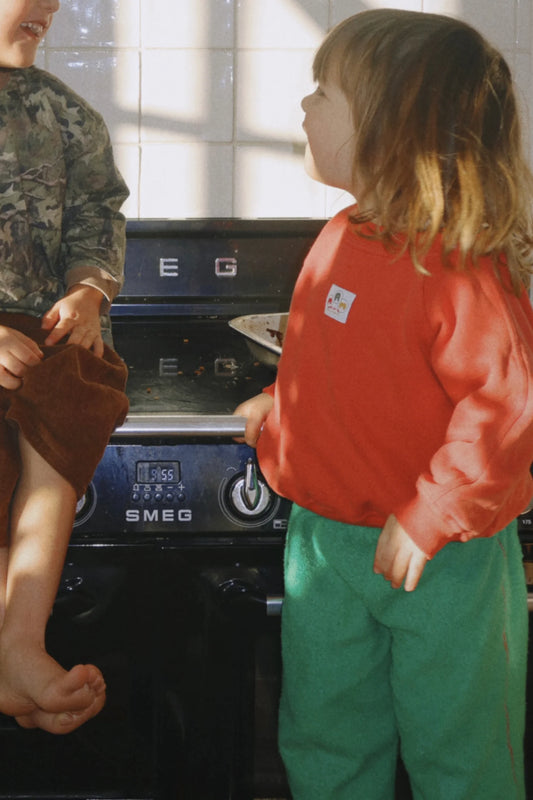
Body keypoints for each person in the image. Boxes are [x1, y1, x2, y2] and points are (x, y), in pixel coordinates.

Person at [235, 9, 533, 800]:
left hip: (441, 554)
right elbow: (336, 359)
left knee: (459, 750)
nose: (304, 106)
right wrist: (280, 406)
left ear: (392, 129)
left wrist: (431, 512)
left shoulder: (457, 265)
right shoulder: (343, 234)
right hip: (325, 541)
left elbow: (504, 406)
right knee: (324, 736)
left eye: (323, 93)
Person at [0, 0, 129, 735]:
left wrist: (88, 292)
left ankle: (18, 642)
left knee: (73, 392)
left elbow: (97, 216)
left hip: (38, 333)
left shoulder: (67, 115)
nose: (49, 4)